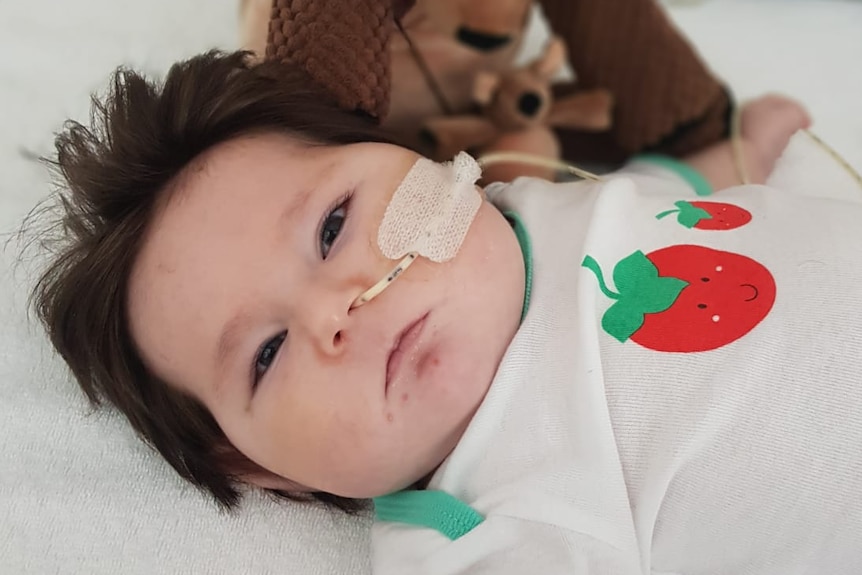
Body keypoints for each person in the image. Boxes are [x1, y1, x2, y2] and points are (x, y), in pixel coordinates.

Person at [32, 50, 862, 573]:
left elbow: (664, 202)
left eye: (331, 227)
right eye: (268, 352)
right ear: (265, 470)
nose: (336, 313)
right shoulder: (481, 521)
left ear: (422, 161)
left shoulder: (514, 207)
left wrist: (735, 154)